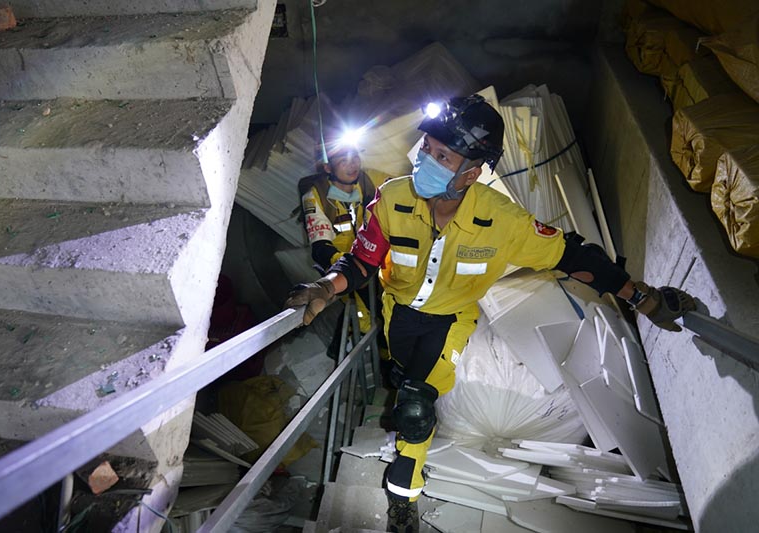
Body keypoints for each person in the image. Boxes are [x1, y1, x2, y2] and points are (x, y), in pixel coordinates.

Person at [286, 95, 695, 533]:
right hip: (397, 315)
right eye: (427, 148)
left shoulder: (502, 221)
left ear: (471, 172)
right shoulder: (391, 199)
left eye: (442, 156)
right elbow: (362, 261)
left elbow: (573, 255)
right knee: (402, 381)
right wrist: (326, 287)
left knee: (416, 407)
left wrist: (640, 297)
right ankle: (405, 406)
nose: (426, 159)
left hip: (449, 322)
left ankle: (403, 498)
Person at [298, 133, 387, 336]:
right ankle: (358, 346)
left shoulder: (367, 180)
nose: (352, 164)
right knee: (365, 316)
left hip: (372, 259)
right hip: (343, 264)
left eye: (355, 157)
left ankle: (381, 350)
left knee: (385, 309)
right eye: (343, 161)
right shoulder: (316, 195)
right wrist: (351, 266)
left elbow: (399, 187)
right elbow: (320, 248)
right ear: (328, 168)